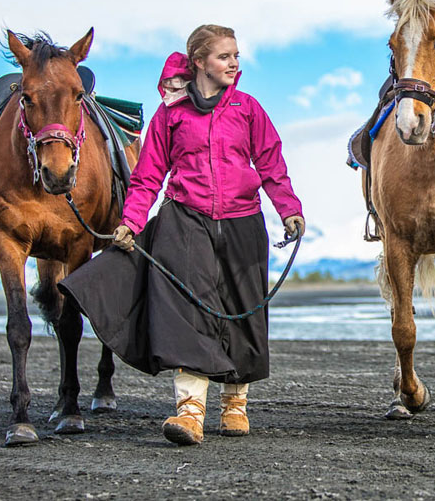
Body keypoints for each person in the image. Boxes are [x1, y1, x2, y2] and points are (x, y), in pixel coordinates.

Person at [60, 24, 304, 446]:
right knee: (189, 311)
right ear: (199, 62)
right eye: (224, 56)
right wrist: (132, 222)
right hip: (185, 220)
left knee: (243, 310)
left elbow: (271, 164)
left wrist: (290, 210)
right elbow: (148, 174)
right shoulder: (171, 115)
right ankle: (189, 411)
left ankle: (234, 404)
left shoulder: (248, 108)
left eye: (236, 56)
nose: (234, 63)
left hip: (243, 221)